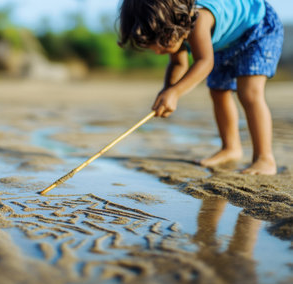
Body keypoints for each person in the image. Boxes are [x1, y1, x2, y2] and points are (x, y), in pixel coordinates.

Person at [118, 0, 283, 175]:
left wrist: (175, 92)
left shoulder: (199, 20)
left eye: (161, 44)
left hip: (257, 28)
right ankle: (230, 148)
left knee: (249, 93)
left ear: (172, 25)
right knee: (218, 91)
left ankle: (264, 158)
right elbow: (178, 64)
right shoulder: (172, 30)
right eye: (152, 47)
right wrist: (168, 90)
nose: (158, 52)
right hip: (226, 40)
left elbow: (205, 62)